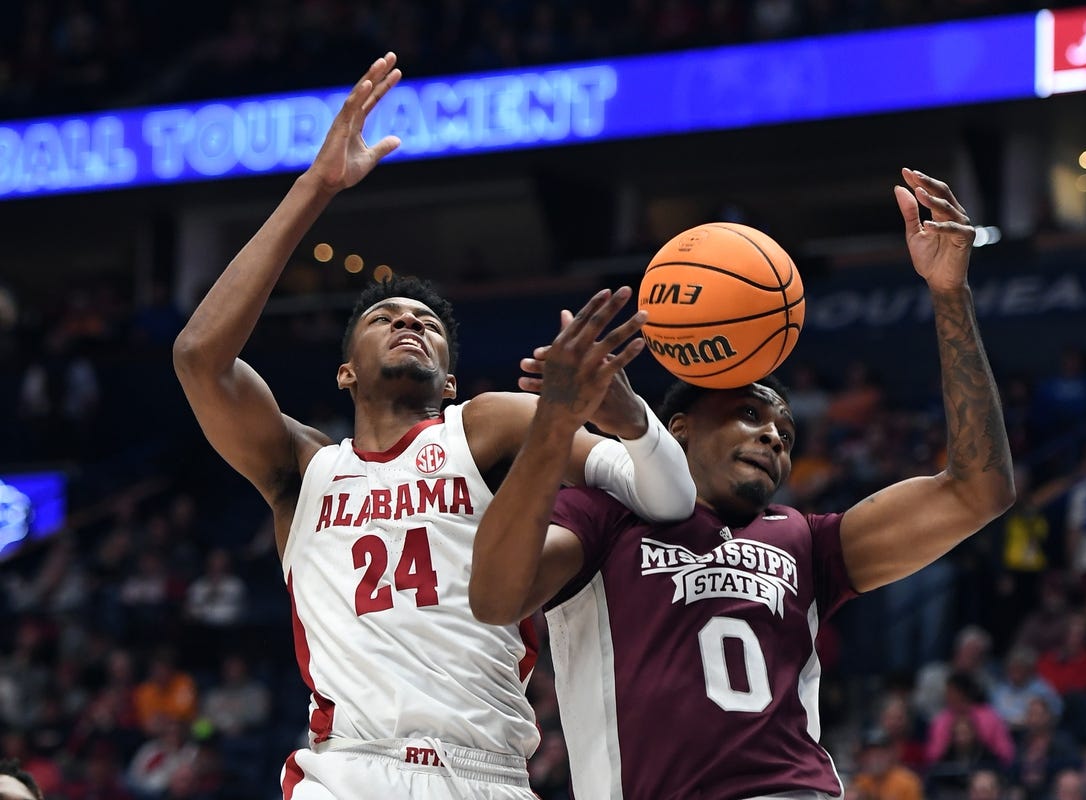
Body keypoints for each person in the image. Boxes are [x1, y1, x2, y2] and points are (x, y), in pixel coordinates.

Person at [171, 52, 695, 800]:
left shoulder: (483, 426)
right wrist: (316, 186)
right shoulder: (302, 472)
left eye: (427, 323)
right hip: (345, 767)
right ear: (346, 370)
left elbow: (666, 496)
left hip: (483, 770)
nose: (408, 324)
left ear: (450, 378)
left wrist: (627, 418)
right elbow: (198, 357)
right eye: (384, 318)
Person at [469, 168, 1016, 799]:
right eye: (749, 415)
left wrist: (951, 294)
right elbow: (497, 599)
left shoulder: (809, 541)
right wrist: (556, 424)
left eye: (785, 431)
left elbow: (979, 489)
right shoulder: (605, 512)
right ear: (677, 429)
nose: (774, 437)